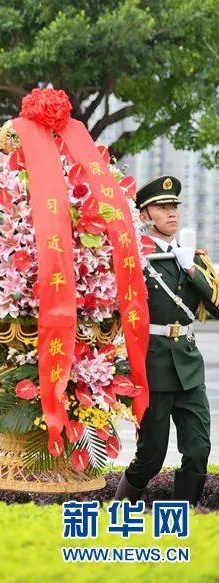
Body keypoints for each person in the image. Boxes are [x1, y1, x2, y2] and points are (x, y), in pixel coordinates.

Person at [114, 176, 219, 505]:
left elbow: (216, 307)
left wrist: (193, 271)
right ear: (145, 216)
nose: (171, 213)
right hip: (151, 367)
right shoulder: (135, 261)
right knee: (150, 457)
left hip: (188, 366)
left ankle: (182, 517)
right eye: (162, 207)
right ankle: (119, 511)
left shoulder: (193, 258)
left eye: (174, 206)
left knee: (199, 449)